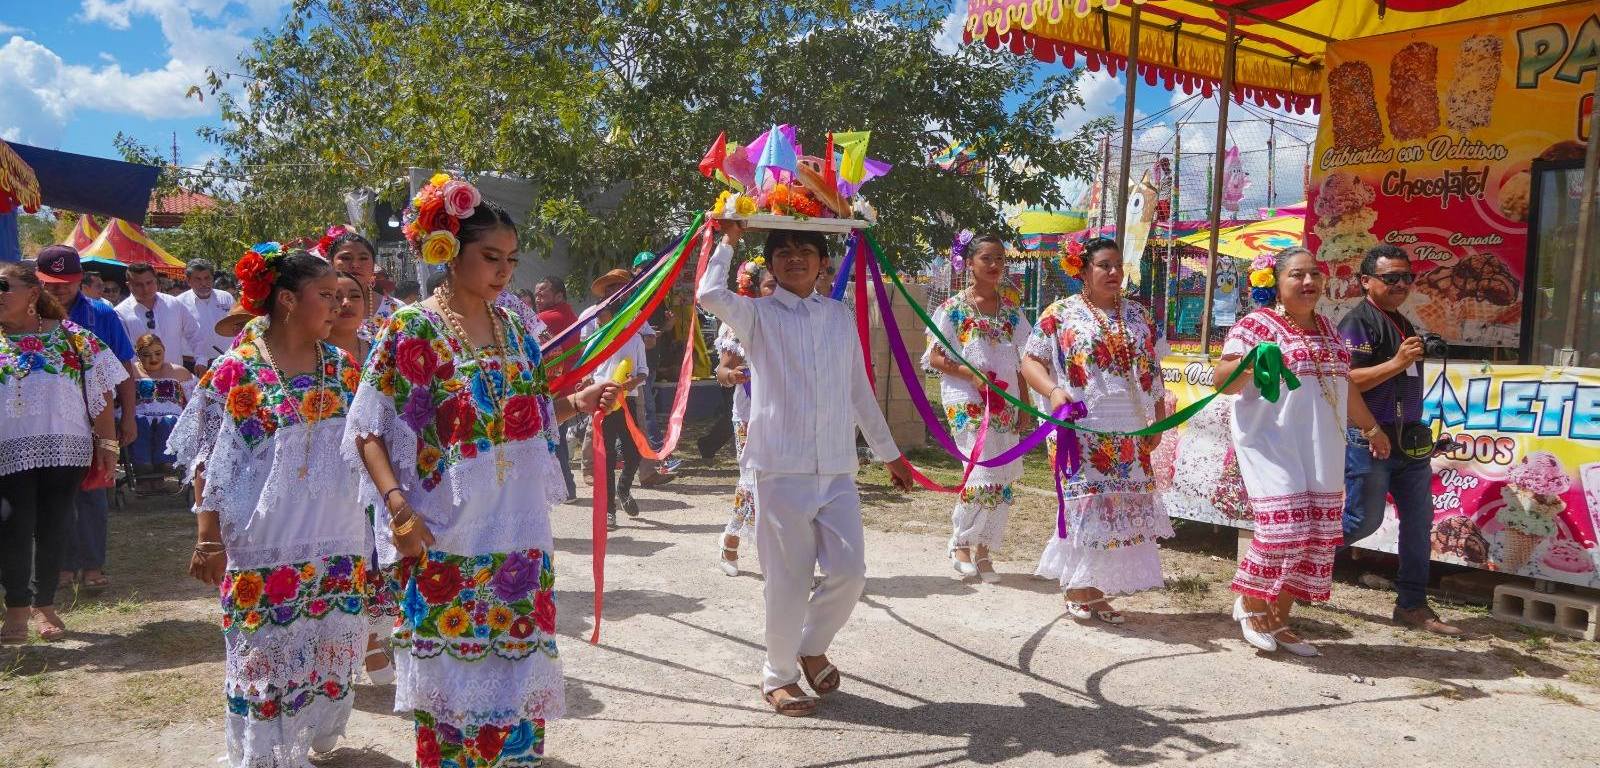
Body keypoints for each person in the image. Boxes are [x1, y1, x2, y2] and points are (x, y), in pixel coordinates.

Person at [348, 175, 619, 767]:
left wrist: (582, 401)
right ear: (447, 251)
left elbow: (527, 415)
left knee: (517, 686)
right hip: (443, 538)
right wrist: (399, 509)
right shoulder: (411, 330)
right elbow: (367, 429)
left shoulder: (518, 327)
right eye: (490, 257)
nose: (503, 271)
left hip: (519, 541)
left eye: (511, 260)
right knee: (450, 692)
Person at [698, 222, 914, 717]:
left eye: (806, 251)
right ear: (771, 264)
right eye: (784, 252)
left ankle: (811, 644)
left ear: (822, 264)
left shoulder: (839, 316)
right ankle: (778, 676)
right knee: (788, 579)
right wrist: (729, 238)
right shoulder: (755, 315)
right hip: (780, 466)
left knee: (850, 572)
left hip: (837, 468)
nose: (795, 258)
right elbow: (710, 292)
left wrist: (889, 453)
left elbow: (858, 389)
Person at [172, 249, 368, 765]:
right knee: (262, 649)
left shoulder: (344, 369)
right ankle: (264, 754)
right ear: (286, 300)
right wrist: (207, 537)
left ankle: (314, 733)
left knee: (328, 636)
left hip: (338, 538)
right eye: (325, 296)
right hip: (262, 542)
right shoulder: (236, 370)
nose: (339, 305)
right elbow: (205, 461)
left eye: (343, 295)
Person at [1214, 247, 1391, 657]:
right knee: (1284, 528)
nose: (1308, 282)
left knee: (1314, 534)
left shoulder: (1330, 330)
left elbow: (1343, 387)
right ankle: (1252, 602)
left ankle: (1279, 620)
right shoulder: (1256, 326)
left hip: (1321, 445)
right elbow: (1223, 382)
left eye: (1315, 274)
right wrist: (1251, 360)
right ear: (1275, 283)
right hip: (1271, 443)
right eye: (1297, 274)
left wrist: (1371, 428)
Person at [1021, 238, 1168, 621]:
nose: (1114, 272)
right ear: (1083, 270)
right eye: (1104, 265)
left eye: (1119, 265)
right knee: (1086, 505)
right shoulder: (1060, 314)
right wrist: (1054, 392)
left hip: (1131, 425)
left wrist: (1158, 418)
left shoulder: (1139, 316)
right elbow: (1030, 362)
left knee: (1118, 507)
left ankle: (1097, 589)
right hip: (1082, 424)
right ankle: (1079, 587)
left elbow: (1153, 370)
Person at [1339, 245, 1462, 636]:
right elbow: (1345, 382)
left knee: (1419, 522)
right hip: (1370, 438)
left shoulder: (1401, 323)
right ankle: (1291, 564)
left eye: (1407, 277)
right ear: (1366, 282)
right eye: (1391, 278)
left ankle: (1412, 605)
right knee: (1363, 520)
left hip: (1408, 442)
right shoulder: (1358, 323)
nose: (1401, 284)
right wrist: (1396, 363)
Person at [0, 262, 125, 643]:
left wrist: (107, 444)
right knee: (13, 528)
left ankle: (46, 605)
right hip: (8, 452)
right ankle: (17, 610)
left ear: (33, 294)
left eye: (2, 287)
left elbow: (103, 390)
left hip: (65, 450)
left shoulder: (74, 338)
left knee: (54, 527)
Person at [925, 235, 1031, 584]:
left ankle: (985, 548)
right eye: (986, 258)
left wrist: (1026, 404)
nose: (995, 265)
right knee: (980, 471)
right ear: (969, 264)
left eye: (1000, 258)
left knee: (1003, 476)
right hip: (966, 399)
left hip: (1007, 400)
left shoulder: (1013, 312)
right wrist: (968, 373)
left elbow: (1025, 361)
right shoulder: (952, 309)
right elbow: (935, 357)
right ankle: (961, 544)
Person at [34, 245, 137, 594]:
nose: (58, 288)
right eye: (50, 282)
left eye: (65, 281)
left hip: (95, 418)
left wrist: (129, 418)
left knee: (92, 492)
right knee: (52, 495)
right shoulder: (26, 316)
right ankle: (62, 565)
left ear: (80, 279)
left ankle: (92, 565)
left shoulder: (102, 315)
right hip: (44, 420)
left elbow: (124, 369)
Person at [714, 261, 777, 576]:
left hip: (783, 413)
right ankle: (732, 540)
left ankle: (776, 553)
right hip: (749, 413)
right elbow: (722, 371)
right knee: (752, 480)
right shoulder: (739, 321)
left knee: (779, 482)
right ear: (753, 287)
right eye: (769, 285)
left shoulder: (790, 317)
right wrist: (733, 375)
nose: (776, 292)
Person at [586, 269, 650, 528]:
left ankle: (624, 489)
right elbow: (589, 371)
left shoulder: (634, 339)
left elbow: (643, 373)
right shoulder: (596, 340)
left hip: (626, 402)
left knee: (634, 454)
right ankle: (609, 509)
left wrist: (630, 383)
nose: (601, 318)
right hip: (603, 402)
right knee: (607, 456)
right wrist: (588, 384)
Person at [629, 251, 679, 488]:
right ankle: (658, 456)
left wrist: (668, 326)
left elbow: (658, 330)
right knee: (645, 410)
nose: (649, 270)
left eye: (653, 266)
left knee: (645, 410)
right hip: (636, 362)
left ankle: (641, 455)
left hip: (651, 359)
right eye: (644, 267)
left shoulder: (658, 294)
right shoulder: (633, 295)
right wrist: (651, 336)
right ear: (635, 270)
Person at [534, 276, 581, 500]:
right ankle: (566, 487)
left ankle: (566, 488)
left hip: (554, 388)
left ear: (559, 295)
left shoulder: (546, 319)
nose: (538, 297)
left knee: (554, 440)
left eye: (543, 293)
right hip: (567, 386)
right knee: (557, 437)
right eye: (537, 293)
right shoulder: (571, 315)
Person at [127, 334, 192, 493]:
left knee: (168, 422)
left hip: (171, 420)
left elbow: (195, 399)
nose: (153, 358)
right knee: (139, 422)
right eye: (147, 355)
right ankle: (142, 466)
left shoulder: (179, 372)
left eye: (158, 353)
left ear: (164, 351)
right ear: (138, 355)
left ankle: (165, 463)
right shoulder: (130, 371)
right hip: (140, 418)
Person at [116, 263, 205, 376]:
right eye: (139, 285)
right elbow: (126, 353)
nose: (145, 289)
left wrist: (201, 359)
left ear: (156, 281)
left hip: (176, 378)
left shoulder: (174, 304)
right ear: (128, 285)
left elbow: (195, 334)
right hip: (143, 383)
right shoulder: (120, 313)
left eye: (149, 282)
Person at [326, 228, 404, 342]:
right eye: (346, 258)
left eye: (363, 258)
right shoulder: (318, 308)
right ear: (331, 263)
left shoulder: (396, 310)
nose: (355, 265)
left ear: (373, 266)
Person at [175, 258, 238, 369]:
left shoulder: (226, 297)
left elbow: (237, 325)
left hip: (225, 362)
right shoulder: (179, 303)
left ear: (213, 278)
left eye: (207, 278)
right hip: (193, 365)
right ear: (188, 280)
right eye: (198, 279)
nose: (203, 283)